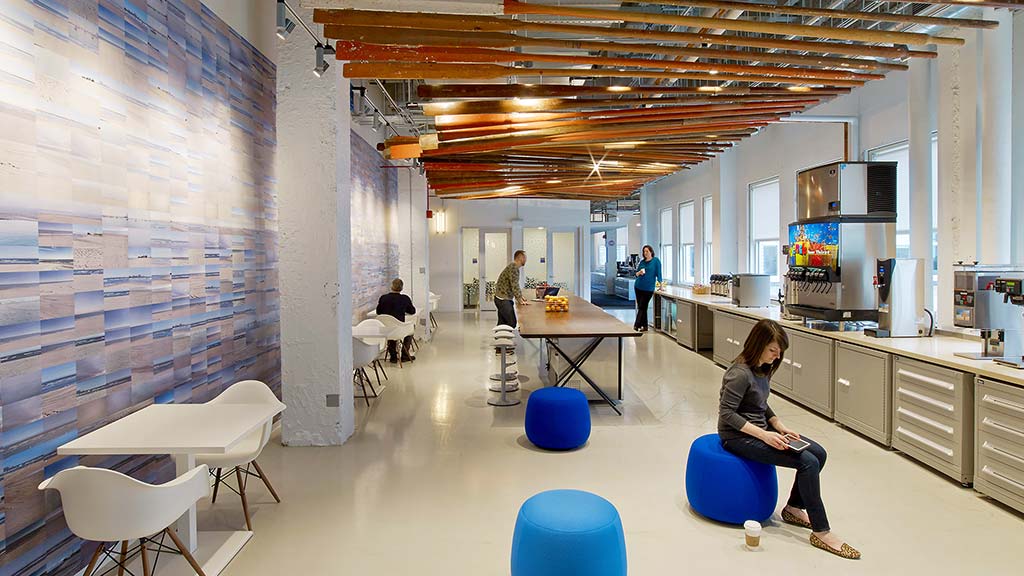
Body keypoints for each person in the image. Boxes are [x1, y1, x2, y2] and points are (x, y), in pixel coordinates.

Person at [718, 319, 860, 560]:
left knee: (819, 454)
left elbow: (759, 403)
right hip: (737, 436)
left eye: (780, 351)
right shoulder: (739, 374)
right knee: (808, 462)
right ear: (758, 345)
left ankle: (794, 508)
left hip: (762, 429)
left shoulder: (762, 368)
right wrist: (765, 435)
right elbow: (727, 413)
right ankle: (822, 531)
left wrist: (779, 426)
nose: (777, 356)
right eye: (773, 350)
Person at [376, 278, 416, 364]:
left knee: (391, 329)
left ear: (391, 287)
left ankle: (393, 356)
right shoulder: (405, 298)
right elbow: (412, 311)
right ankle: (405, 355)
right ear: (401, 288)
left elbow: (378, 312)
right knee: (411, 329)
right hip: (399, 329)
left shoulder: (383, 298)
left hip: (385, 330)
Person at [493, 250, 529, 330]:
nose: (526, 260)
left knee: (502, 323)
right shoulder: (514, 268)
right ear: (520, 258)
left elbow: (514, 284)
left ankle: (500, 337)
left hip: (500, 298)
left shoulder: (513, 267)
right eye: (525, 257)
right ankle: (502, 337)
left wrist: (520, 296)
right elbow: (514, 285)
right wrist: (519, 299)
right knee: (511, 322)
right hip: (503, 300)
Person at [633, 245, 662, 332]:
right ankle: (645, 326)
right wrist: (639, 273)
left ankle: (636, 325)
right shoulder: (642, 262)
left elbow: (659, 273)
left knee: (642, 306)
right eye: (644, 251)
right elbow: (636, 274)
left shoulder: (656, 261)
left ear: (651, 252)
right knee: (642, 307)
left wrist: (661, 285)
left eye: (647, 251)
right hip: (638, 286)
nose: (645, 253)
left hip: (648, 288)